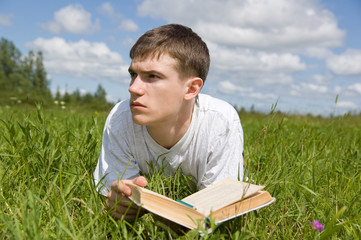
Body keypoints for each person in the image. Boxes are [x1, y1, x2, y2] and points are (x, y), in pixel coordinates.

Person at [93, 24, 244, 220]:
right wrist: (118, 204)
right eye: (133, 75)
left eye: (152, 76)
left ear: (191, 89)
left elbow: (217, 213)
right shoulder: (120, 118)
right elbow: (115, 201)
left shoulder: (220, 121)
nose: (134, 88)